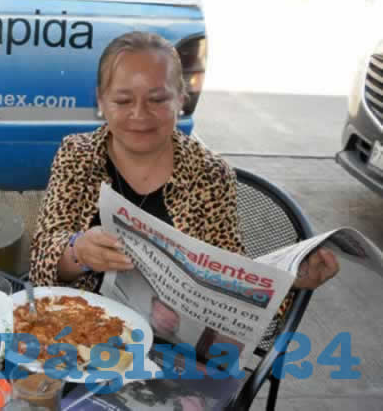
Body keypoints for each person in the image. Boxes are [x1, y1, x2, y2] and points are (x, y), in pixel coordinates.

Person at [29, 31, 339, 329]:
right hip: (80, 328)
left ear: (181, 98)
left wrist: (290, 280)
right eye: (123, 101)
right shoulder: (78, 154)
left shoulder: (209, 174)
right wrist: (78, 251)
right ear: (101, 100)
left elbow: (231, 284)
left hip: (173, 350)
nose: (139, 114)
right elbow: (41, 256)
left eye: (158, 99)